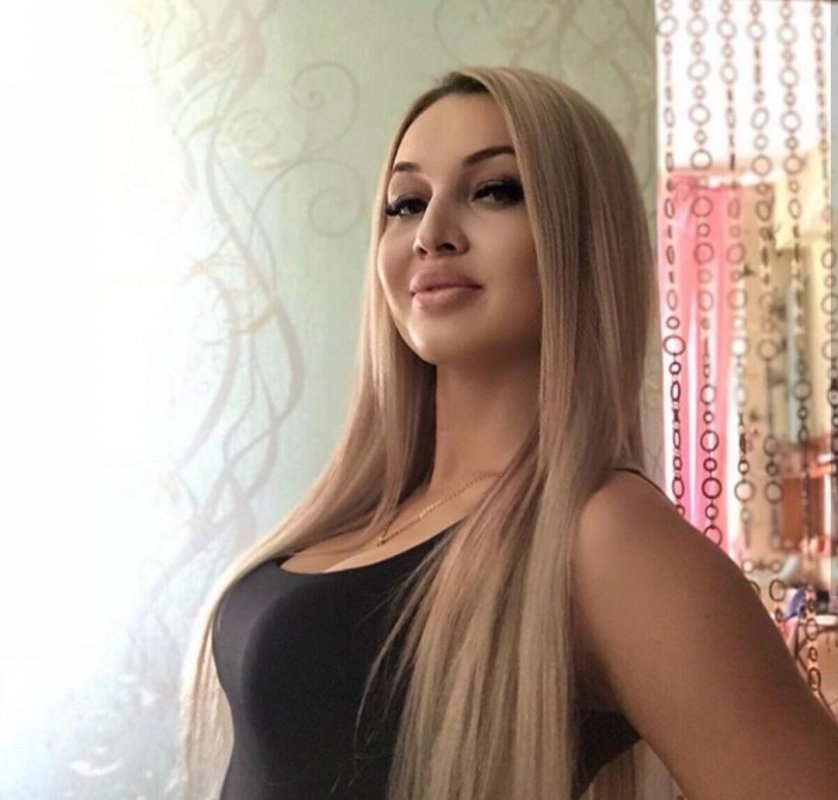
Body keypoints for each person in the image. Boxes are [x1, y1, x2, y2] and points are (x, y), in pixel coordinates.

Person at [178, 66, 838, 800]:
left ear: (579, 237)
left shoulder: (605, 537)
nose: (431, 235)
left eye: (494, 190)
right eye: (406, 203)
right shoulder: (369, 508)